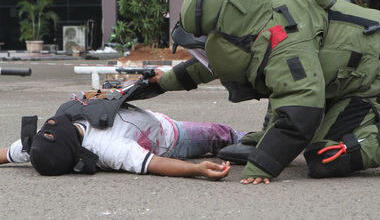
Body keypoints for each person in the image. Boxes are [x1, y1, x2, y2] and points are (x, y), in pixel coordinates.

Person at [145, 0, 380, 185]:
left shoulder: (284, 41)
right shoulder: (253, 27)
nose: (204, 54)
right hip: (343, 74)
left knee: (325, 156)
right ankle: (271, 139)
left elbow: (302, 111)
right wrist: (162, 81)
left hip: (379, 73)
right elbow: (210, 65)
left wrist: (262, 165)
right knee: (284, 92)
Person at [0, 104, 244, 179]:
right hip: (172, 137)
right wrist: (197, 169)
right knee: (221, 135)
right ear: (66, 146)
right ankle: (261, 144)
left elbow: (3, 154)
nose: (47, 127)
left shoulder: (35, 146)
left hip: (150, 118)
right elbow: (154, 163)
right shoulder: (108, 147)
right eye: (50, 133)